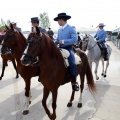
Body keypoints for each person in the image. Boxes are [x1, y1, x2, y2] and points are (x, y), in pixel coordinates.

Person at [54, 12, 79, 91]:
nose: (57, 22)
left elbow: (75, 39)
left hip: (68, 48)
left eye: (58, 20)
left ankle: (74, 82)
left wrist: (64, 41)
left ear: (61, 20)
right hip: (59, 48)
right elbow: (58, 40)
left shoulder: (71, 28)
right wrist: (52, 43)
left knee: (72, 62)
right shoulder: (59, 30)